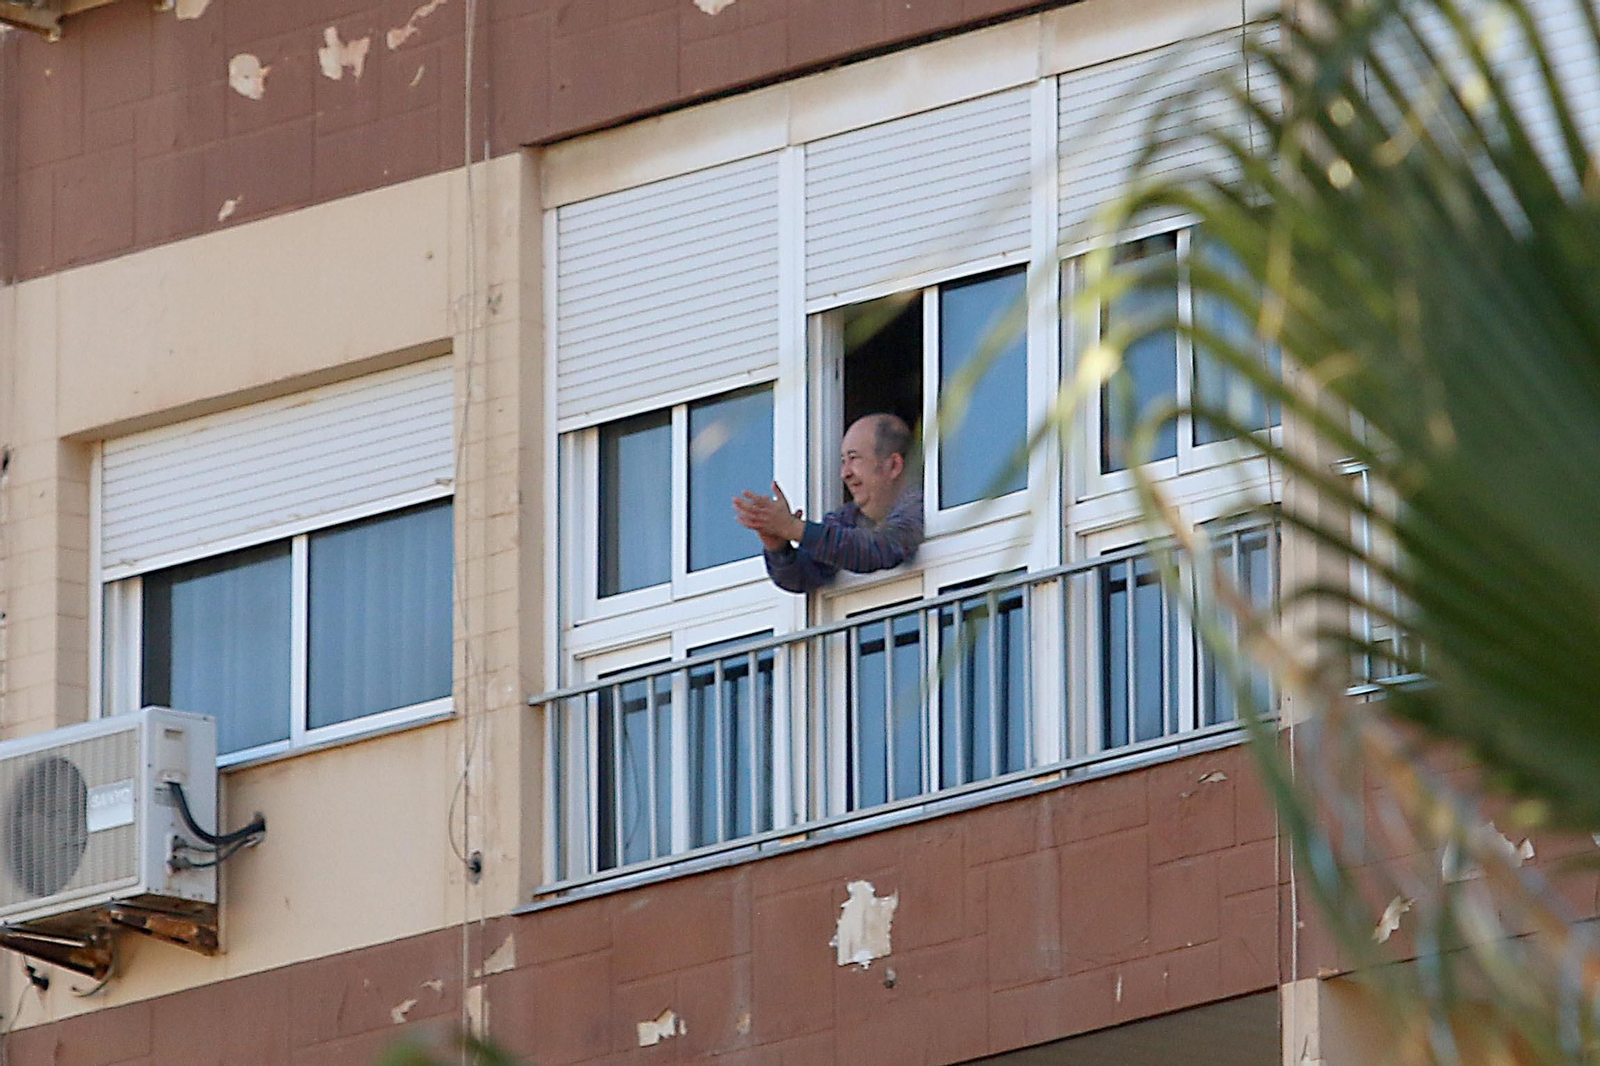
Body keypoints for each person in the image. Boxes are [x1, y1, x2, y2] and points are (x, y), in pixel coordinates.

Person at [732, 413, 924, 594]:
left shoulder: (920, 505)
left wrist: (794, 528)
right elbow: (803, 575)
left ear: (893, 465)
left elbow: (879, 549)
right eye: (843, 461)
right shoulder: (848, 517)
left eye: (854, 458)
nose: (845, 474)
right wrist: (778, 547)